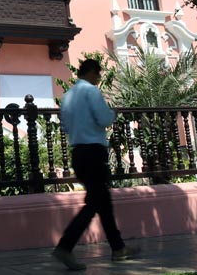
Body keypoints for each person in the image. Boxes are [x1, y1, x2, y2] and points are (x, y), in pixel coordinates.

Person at [52, 58, 137, 270]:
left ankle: (118, 248)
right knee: (95, 204)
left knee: (102, 202)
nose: (99, 79)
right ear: (91, 72)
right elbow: (104, 119)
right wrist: (113, 114)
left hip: (78, 153)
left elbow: (65, 126)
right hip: (93, 152)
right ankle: (65, 246)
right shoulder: (91, 92)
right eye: (98, 75)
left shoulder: (68, 96)